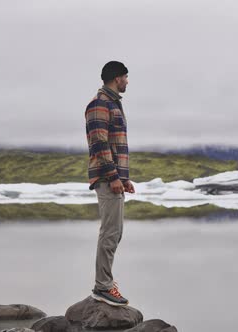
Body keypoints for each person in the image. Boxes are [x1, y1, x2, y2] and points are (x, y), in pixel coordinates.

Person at [85, 61, 135, 306]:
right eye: (126, 77)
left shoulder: (113, 103)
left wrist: (124, 178)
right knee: (110, 232)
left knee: (116, 232)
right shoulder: (100, 104)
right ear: (117, 78)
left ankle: (105, 281)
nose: (127, 81)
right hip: (106, 177)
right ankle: (102, 287)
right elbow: (99, 143)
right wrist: (114, 176)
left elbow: (115, 144)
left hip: (113, 177)